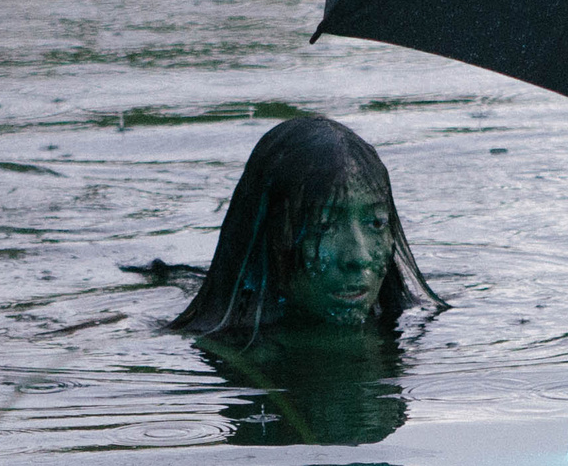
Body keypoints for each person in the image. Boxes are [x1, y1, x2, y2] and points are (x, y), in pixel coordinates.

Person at [160, 114, 440, 340]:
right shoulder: (223, 351)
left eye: (376, 223)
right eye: (325, 224)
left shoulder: (421, 325)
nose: (359, 257)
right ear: (272, 233)